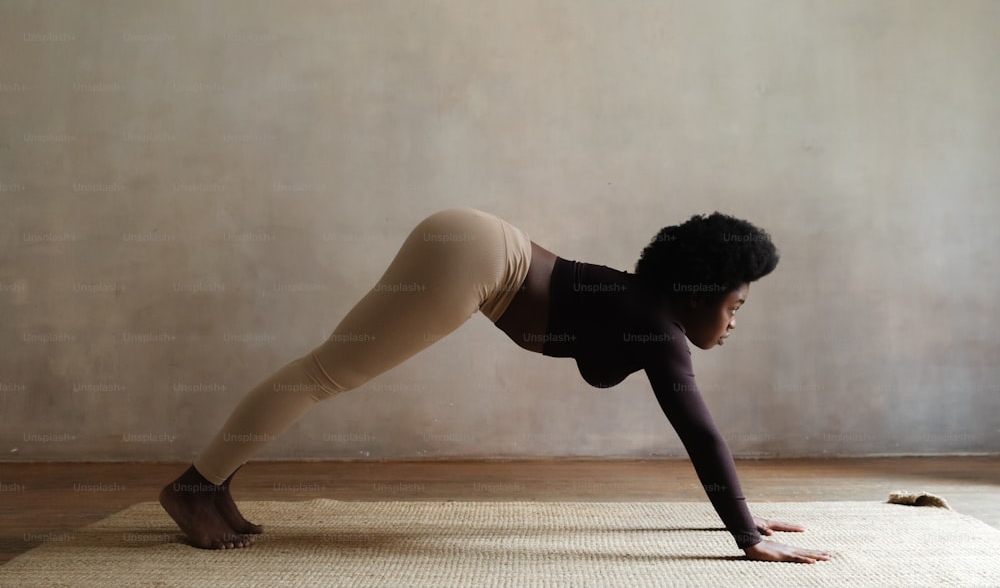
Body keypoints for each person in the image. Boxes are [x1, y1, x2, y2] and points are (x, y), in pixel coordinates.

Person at [160, 207, 833, 563]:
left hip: (478, 246)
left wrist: (743, 510)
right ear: (696, 294)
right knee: (326, 372)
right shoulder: (656, 327)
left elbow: (699, 433)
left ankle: (211, 485)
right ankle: (196, 485)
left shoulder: (652, 317)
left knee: (325, 371)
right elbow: (701, 432)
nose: (737, 321)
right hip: (477, 257)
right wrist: (746, 532)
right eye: (735, 305)